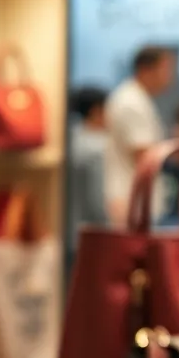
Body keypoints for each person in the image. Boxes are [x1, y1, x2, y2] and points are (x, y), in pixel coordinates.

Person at [103, 45, 174, 227]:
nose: (169, 77)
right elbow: (145, 158)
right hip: (132, 203)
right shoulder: (132, 102)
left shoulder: (136, 98)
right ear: (145, 69)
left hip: (136, 203)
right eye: (165, 69)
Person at [68, 86, 107, 254]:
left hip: (66, 231)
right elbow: (97, 202)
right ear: (97, 111)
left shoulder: (70, 139)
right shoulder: (99, 148)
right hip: (90, 238)